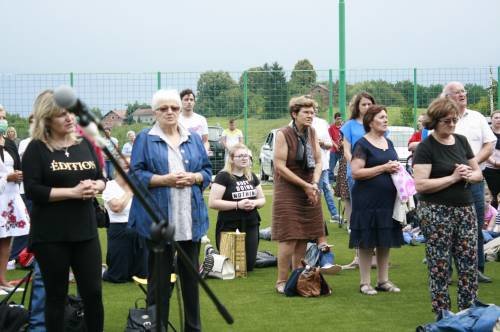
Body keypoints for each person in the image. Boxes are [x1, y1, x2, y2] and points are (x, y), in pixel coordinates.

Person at [22, 90, 105, 331]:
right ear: (46, 119)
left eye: (70, 112)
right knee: (56, 296)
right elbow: (33, 190)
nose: (69, 118)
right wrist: (72, 192)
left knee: (93, 294)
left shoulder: (85, 144)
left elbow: (101, 177)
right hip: (51, 236)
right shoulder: (36, 149)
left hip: (86, 232)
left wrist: (95, 186)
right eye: (61, 115)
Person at [128, 89, 211, 331]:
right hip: (158, 222)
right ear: (155, 112)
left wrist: (194, 177)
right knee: (159, 284)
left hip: (189, 220)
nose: (170, 112)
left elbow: (206, 172)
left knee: (191, 281)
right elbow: (135, 175)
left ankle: (193, 328)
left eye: (174, 108)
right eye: (164, 109)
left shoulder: (193, 138)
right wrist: (164, 180)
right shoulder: (145, 138)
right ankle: (158, 327)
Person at [413, 97, 483, 317]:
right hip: (435, 212)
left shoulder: (461, 141)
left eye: (454, 120)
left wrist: (468, 175)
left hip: (465, 209)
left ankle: (468, 313)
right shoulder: (426, 147)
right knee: (440, 265)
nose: (452, 125)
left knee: (469, 264)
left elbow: (479, 173)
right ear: (435, 121)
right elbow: (421, 184)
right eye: (447, 121)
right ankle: (443, 316)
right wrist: (453, 178)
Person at [443, 81, 497, 283]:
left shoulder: (477, 118)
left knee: (475, 226)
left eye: (463, 91)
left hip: (474, 180)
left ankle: (476, 269)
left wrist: (471, 164)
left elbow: (489, 144)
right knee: (446, 227)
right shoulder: (442, 119)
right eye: (457, 92)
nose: (462, 95)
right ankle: (445, 272)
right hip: (448, 180)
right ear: (447, 97)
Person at [271, 95, 324, 294]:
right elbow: (279, 166)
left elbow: (319, 161)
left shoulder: (312, 132)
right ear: (294, 114)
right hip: (288, 190)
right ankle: (281, 281)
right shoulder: (282, 134)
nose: (311, 116)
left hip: (310, 186)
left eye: (313, 112)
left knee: (304, 236)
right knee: (288, 237)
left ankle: (298, 277)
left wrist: (315, 183)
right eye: (306, 112)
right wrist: (305, 186)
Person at [349, 105, 403, 295]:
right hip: (367, 200)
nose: (386, 120)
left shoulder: (388, 142)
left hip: (388, 199)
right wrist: (384, 168)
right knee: (367, 240)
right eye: (381, 117)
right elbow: (356, 172)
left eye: (386, 117)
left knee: (384, 238)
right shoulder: (362, 144)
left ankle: (383, 280)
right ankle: (365, 283)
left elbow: (391, 166)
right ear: (370, 121)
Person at [208, 143, 265, 271]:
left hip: (251, 222)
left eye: (246, 156)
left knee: (248, 266)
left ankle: (216, 253)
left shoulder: (251, 176)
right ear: (232, 159)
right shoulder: (223, 176)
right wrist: (238, 205)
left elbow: (262, 200)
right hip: (229, 222)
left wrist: (254, 203)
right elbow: (213, 202)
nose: (244, 158)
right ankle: (211, 252)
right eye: (240, 156)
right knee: (230, 267)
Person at [102, 160, 147, 283]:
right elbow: (117, 207)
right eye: (126, 167)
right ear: (117, 169)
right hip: (119, 231)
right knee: (118, 277)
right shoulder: (109, 186)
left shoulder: (140, 185)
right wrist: (130, 191)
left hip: (139, 230)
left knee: (142, 276)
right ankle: (102, 270)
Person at [0, 105, 30, 291]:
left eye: (3, 114)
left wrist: (19, 174)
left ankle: (1, 279)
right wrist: (6, 178)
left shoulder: (9, 143)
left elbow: (16, 166)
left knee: (5, 239)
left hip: (9, 197)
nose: (3, 118)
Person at [312, 107, 340, 222]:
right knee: (312, 192)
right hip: (305, 167)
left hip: (322, 165)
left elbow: (329, 144)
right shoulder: (295, 123)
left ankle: (333, 214)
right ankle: (314, 218)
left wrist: (321, 143)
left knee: (326, 189)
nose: (313, 111)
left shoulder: (322, 123)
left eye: (315, 109)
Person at [483, 110, 500, 208]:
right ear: (491, 119)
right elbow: (483, 149)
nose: (499, 120)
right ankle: (492, 218)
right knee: (492, 194)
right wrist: (494, 162)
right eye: (496, 117)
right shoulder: (487, 133)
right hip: (490, 169)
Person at [328, 112, 343, 183]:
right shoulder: (331, 128)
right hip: (334, 150)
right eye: (337, 119)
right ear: (335, 119)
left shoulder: (343, 127)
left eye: (340, 119)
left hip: (342, 150)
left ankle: (340, 181)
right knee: (331, 166)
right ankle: (330, 181)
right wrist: (336, 145)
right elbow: (330, 138)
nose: (339, 121)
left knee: (342, 166)